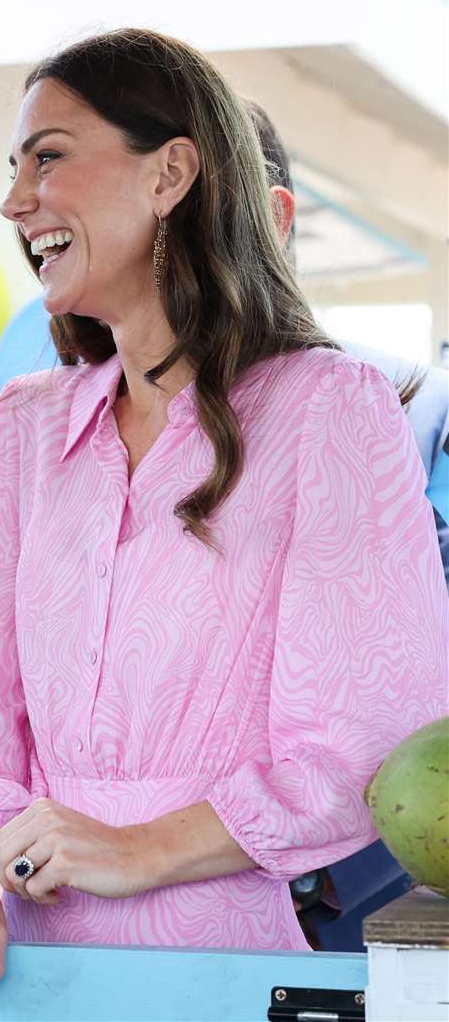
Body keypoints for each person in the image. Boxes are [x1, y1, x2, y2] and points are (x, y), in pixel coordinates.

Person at [0, 28, 448, 1008]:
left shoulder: (330, 406)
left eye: (47, 156)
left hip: (223, 958)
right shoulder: (23, 425)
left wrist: (135, 847)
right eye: (11, 170)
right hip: (12, 965)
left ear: (170, 173)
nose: (15, 201)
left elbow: (366, 734)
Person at [248, 98, 449, 949]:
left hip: (362, 893)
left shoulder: (409, 406)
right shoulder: (67, 428)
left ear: (270, 215)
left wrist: (331, 871)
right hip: (127, 912)